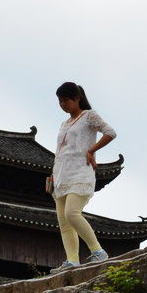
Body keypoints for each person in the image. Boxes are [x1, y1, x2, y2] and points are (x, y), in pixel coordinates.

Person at [46, 82, 115, 270]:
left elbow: (110, 132)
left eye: (66, 100)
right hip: (61, 175)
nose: (63, 105)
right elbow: (60, 151)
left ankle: (98, 252)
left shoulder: (88, 116)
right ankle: (72, 260)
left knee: (72, 213)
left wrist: (92, 150)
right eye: (60, 101)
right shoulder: (64, 123)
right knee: (64, 222)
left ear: (77, 98)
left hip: (80, 173)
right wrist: (53, 174)